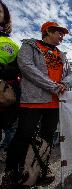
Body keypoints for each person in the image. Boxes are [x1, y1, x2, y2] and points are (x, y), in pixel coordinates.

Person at [2, 21, 72, 188]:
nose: (62, 36)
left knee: (47, 138)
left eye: (62, 33)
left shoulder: (62, 54)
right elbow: (26, 67)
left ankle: (40, 170)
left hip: (55, 103)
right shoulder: (30, 46)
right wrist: (53, 86)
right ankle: (10, 172)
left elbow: (71, 74)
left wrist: (64, 83)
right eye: (58, 32)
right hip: (33, 101)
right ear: (47, 31)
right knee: (23, 136)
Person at [0, 0, 20, 155]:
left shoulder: (11, 44)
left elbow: (18, 70)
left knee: (12, 132)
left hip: (6, 97)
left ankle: (11, 169)